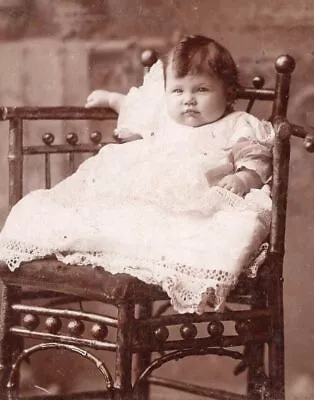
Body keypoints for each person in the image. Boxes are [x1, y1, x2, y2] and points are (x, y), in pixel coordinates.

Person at [0, 35, 274, 313]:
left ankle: (169, 263)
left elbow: (256, 158)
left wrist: (243, 178)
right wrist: (111, 99)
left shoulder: (236, 124)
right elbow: (137, 106)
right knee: (102, 209)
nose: (188, 100)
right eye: (177, 91)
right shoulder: (164, 118)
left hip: (191, 205)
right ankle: (95, 244)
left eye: (201, 89)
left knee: (210, 229)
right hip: (145, 192)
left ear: (228, 92)